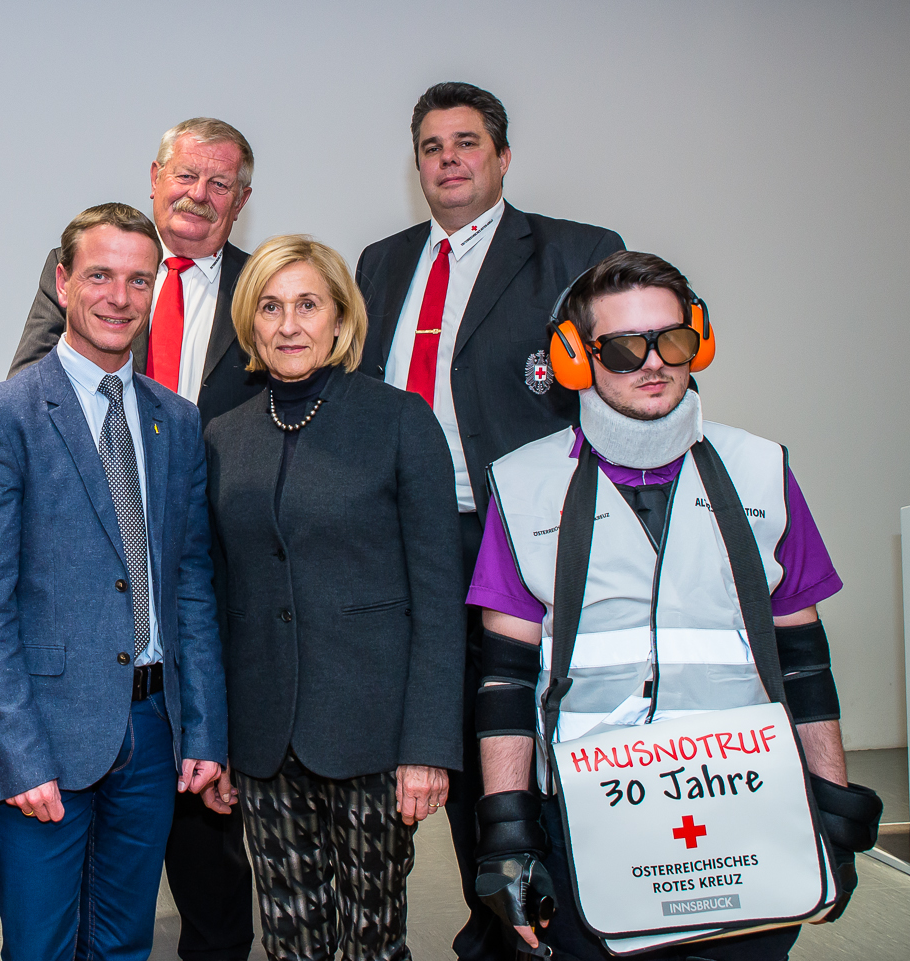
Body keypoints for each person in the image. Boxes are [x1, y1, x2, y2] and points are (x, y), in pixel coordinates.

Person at [466, 251, 882, 960]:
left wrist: (830, 799)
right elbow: (505, 679)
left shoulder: (762, 470)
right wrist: (508, 829)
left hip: (746, 808)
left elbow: (806, 663)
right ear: (574, 358)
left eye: (674, 340)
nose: (652, 362)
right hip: (592, 815)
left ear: (701, 341)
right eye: (624, 349)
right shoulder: (523, 484)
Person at [353, 81, 626, 961]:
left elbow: (611, 390)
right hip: (410, 537)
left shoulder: (574, 253)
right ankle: (496, 919)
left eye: (467, 142)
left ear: (502, 157)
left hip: (522, 536)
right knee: (452, 734)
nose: (449, 160)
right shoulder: (381, 263)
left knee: (541, 728)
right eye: (432, 147)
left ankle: (575, 915)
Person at [0, 203, 228, 960]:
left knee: (124, 943)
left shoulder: (177, 419)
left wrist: (203, 727)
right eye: (99, 275)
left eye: (139, 280)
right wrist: (17, 753)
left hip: (153, 731)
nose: (119, 296)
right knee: (40, 947)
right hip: (45, 737)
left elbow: (190, 584)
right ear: (64, 282)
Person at [8, 116, 259, 961]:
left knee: (173, 898)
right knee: (48, 930)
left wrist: (206, 723)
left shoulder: (267, 295)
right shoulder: (24, 386)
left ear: (242, 201)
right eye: (186, 176)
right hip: (72, 667)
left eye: (220, 183)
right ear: (156, 179)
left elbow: (192, 570)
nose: (199, 194)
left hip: (198, 636)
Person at [201, 235, 465, 959]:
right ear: (250, 324)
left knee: (373, 940)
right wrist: (213, 738)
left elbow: (440, 600)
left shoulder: (401, 420)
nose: (289, 324)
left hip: (373, 736)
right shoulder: (222, 437)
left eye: (307, 304)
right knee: (290, 939)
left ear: (342, 319)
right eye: (271, 307)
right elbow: (219, 600)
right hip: (262, 739)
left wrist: (428, 747)